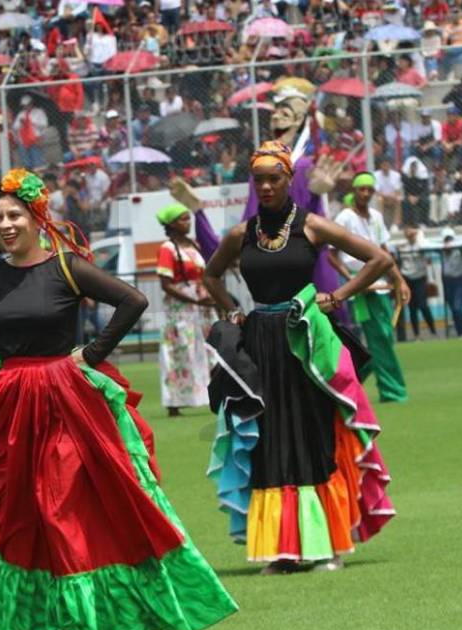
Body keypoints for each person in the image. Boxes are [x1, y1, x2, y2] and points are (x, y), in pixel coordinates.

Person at [0, 169, 237, 630]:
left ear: (37, 216)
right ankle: (41, 627)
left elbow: (133, 300)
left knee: (62, 505)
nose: (6, 225)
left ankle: (78, 628)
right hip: (11, 404)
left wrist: (92, 353)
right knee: (27, 513)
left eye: (14, 215)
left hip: (65, 400)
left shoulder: (66, 267)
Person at [202, 143, 396, 573]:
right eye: (260, 179)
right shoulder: (242, 234)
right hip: (259, 344)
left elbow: (379, 258)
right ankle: (282, 549)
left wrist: (337, 296)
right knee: (268, 437)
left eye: (275, 177)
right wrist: (232, 309)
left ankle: (325, 544)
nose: (267, 185)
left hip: (304, 341)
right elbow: (210, 274)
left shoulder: (311, 226)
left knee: (313, 435)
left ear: (290, 179)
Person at [329, 172, 410, 403]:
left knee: (382, 338)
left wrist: (398, 280)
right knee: (380, 337)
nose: (365, 193)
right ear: (354, 191)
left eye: (369, 189)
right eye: (361, 189)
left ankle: (350, 383)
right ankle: (393, 391)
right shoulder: (344, 217)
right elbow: (331, 256)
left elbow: (384, 252)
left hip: (381, 285)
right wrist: (352, 281)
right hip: (363, 287)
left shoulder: (375, 216)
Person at [155, 203, 213, 416]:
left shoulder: (194, 245)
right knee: (178, 350)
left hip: (201, 306)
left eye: (188, 218)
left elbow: (204, 275)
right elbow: (165, 284)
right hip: (180, 308)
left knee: (205, 350)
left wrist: (206, 294)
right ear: (171, 224)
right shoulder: (167, 249)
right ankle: (173, 402)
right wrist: (195, 301)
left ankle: (208, 395)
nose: (188, 223)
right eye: (182, 219)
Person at [396, 224, 437, 340]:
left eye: (412, 233)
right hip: (408, 278)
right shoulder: (404, 247)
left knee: (423, 305)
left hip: (420, 277)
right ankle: (416, 335)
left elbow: (425, 243)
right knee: (412, 308)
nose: (409, 235)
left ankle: (433, 331)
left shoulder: (422, 244)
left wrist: (417, 233)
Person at [440, 227, 462, 338]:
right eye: (446, 239)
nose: (448, 241)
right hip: (447, 281)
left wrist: (452, 244)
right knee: (453, 308)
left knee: (458, 307)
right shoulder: (441, 249)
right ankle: (460, 333)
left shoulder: (459, 248)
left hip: (459, 280)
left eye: (450, 238)